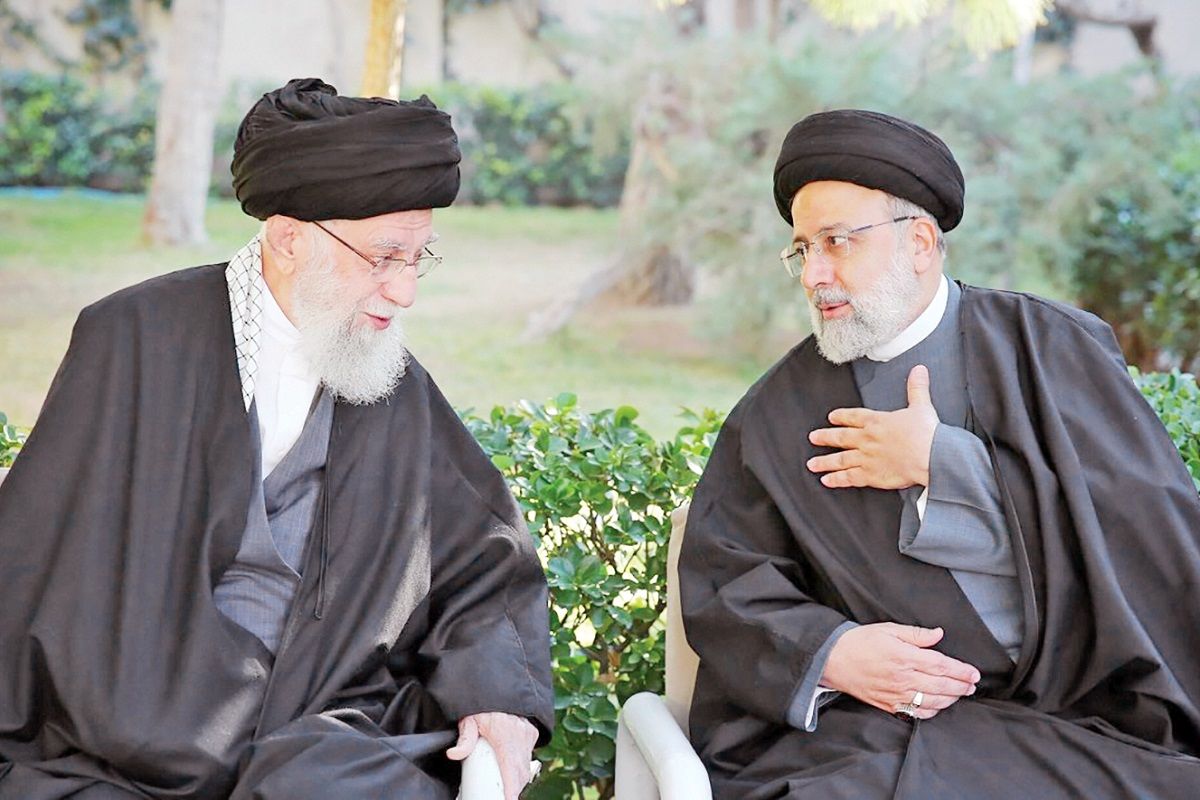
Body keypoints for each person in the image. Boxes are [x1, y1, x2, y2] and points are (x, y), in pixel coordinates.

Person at [0, 78, 553, 800]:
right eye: (384, 257)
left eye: (419, 258)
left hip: (322, 732)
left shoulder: (388, 379)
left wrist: (499, 697)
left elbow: (482, 562)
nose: (405, 291)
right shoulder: (133, 338)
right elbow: (36, 563)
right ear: (290, 239)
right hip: (129, 738)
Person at [679, 108, 1200, 798]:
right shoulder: (775, 414)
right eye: (803, 249)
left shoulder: (1051, 347)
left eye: (837, 242)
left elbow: (1150, 537)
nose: (814, 274)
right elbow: (727, 581)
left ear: (920, 241)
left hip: (1087, 719)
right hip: (885, 732)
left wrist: (943, 464)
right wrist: (832, 653)